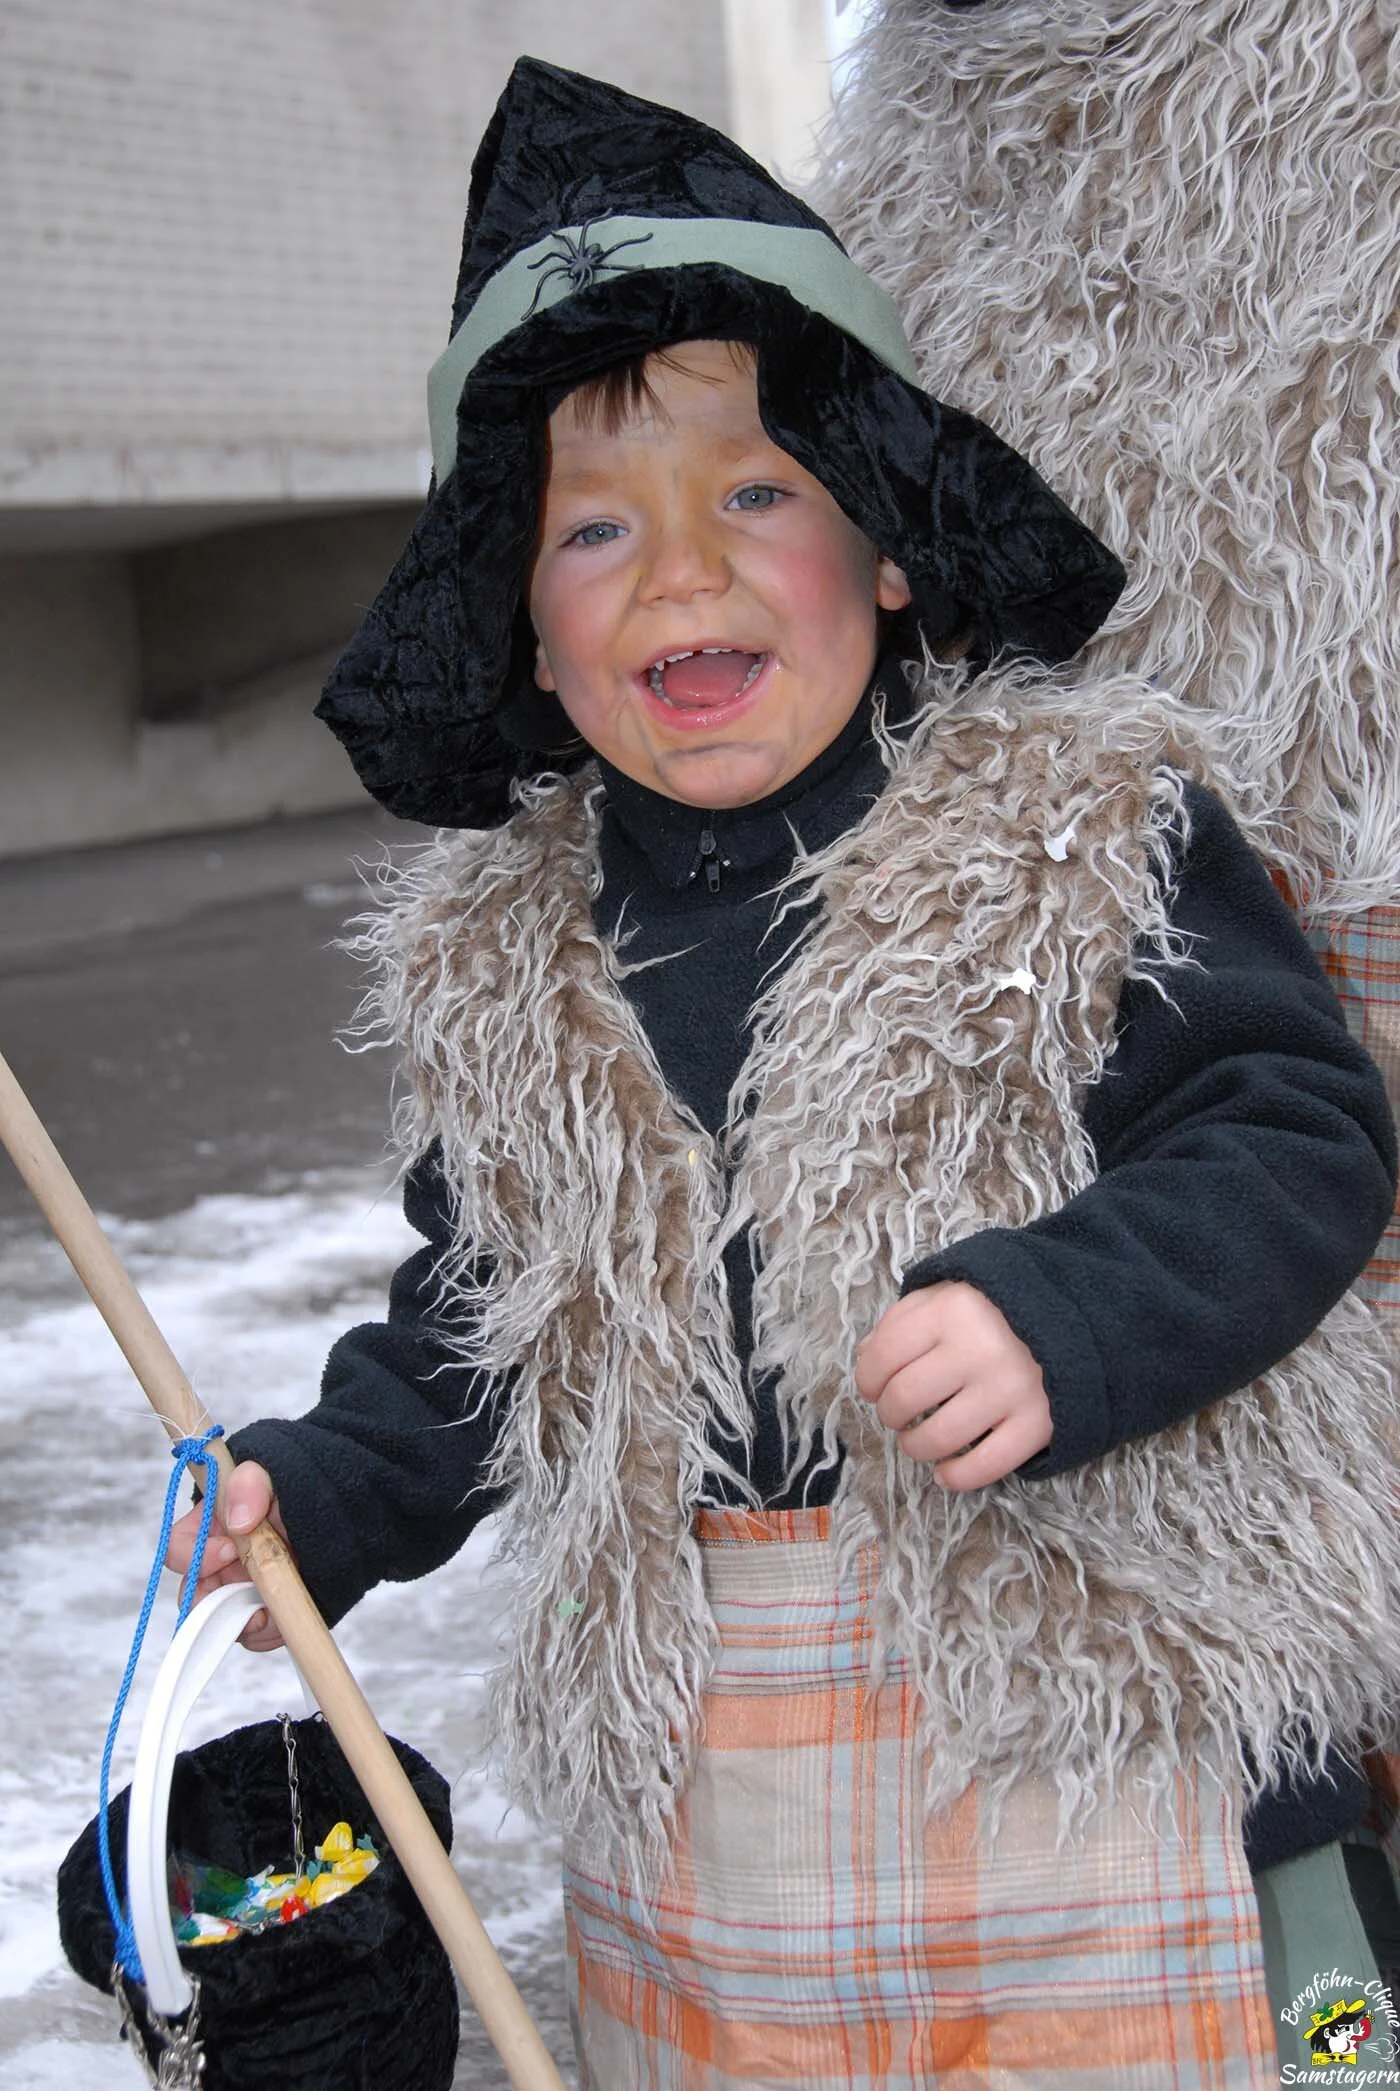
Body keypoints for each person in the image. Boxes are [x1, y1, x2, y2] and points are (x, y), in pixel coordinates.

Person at [168, 59, 1400, 2087]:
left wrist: (1060, 1312)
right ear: (526, 638)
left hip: (1115, 1758)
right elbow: (483, 1325)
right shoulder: (514, 968)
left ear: (893, 552)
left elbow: (1291, 1135)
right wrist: (319, 1488)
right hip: (719, 1844)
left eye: (757, 494)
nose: (682, 570)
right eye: (594, 530)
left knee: (1290, 2042)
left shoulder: (1078, 834)